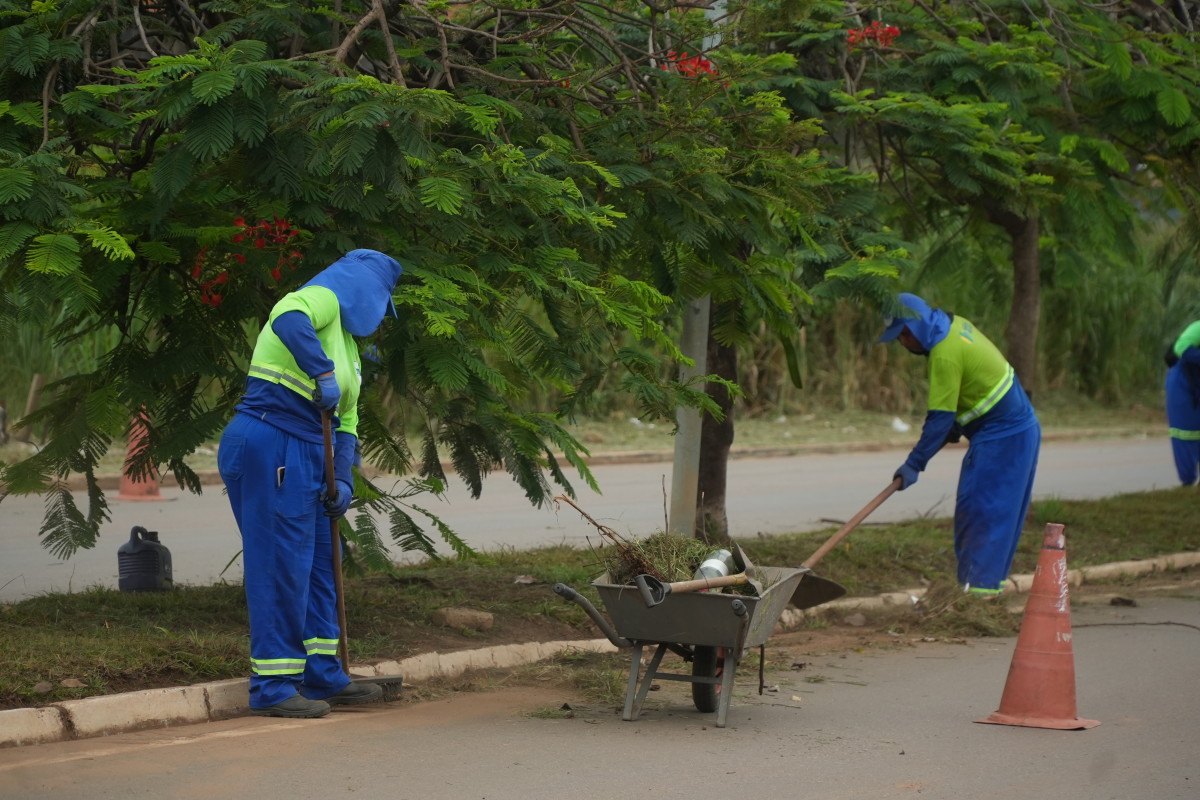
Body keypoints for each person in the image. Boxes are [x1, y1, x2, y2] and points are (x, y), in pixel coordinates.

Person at [218, 248, 403, 718]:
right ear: (364, 289)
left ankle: (322, 673)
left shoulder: (349, 348)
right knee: (282, 564)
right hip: (273, 439)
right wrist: (320, 371)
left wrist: (342, 476)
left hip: (312, 454)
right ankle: (273, 686)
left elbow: (348, 422)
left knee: (322, 565)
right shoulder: (321, 299)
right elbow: (286, 315)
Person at [880, 293, 1041, 596]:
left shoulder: (944, 353)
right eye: (898, 336)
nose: (902, 342)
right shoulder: (953, 326)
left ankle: (976, 597)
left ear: (918, 325)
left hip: (1004, 436)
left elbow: (939, 420)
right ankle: (980, 591)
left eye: (904, 333)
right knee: (986, 513)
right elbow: (970, 393)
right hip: (1010, 430)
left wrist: (915, 463)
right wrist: (958, 423)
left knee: (982, 513)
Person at [1164, 320, 1200, 486]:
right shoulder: (1198, 328)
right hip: (1182, 385)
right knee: (1185, 433)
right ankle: (1188, 481)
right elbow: (1181, 347)